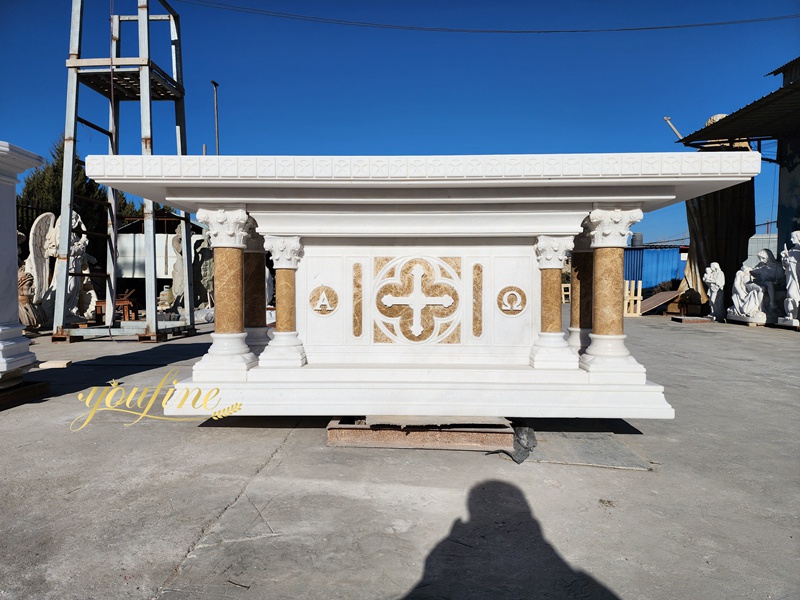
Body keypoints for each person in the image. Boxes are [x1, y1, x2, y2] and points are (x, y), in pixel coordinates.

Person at [781, 230, 800, 321]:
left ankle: (795, 313)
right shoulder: (791, 250)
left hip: (796, 276)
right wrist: (784, 259)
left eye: (793, 237)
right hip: (790, 276)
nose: (791, 240)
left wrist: (791, 261)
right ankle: (791, 314)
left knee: (792, 293)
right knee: (789, 294)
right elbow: (785, 265)